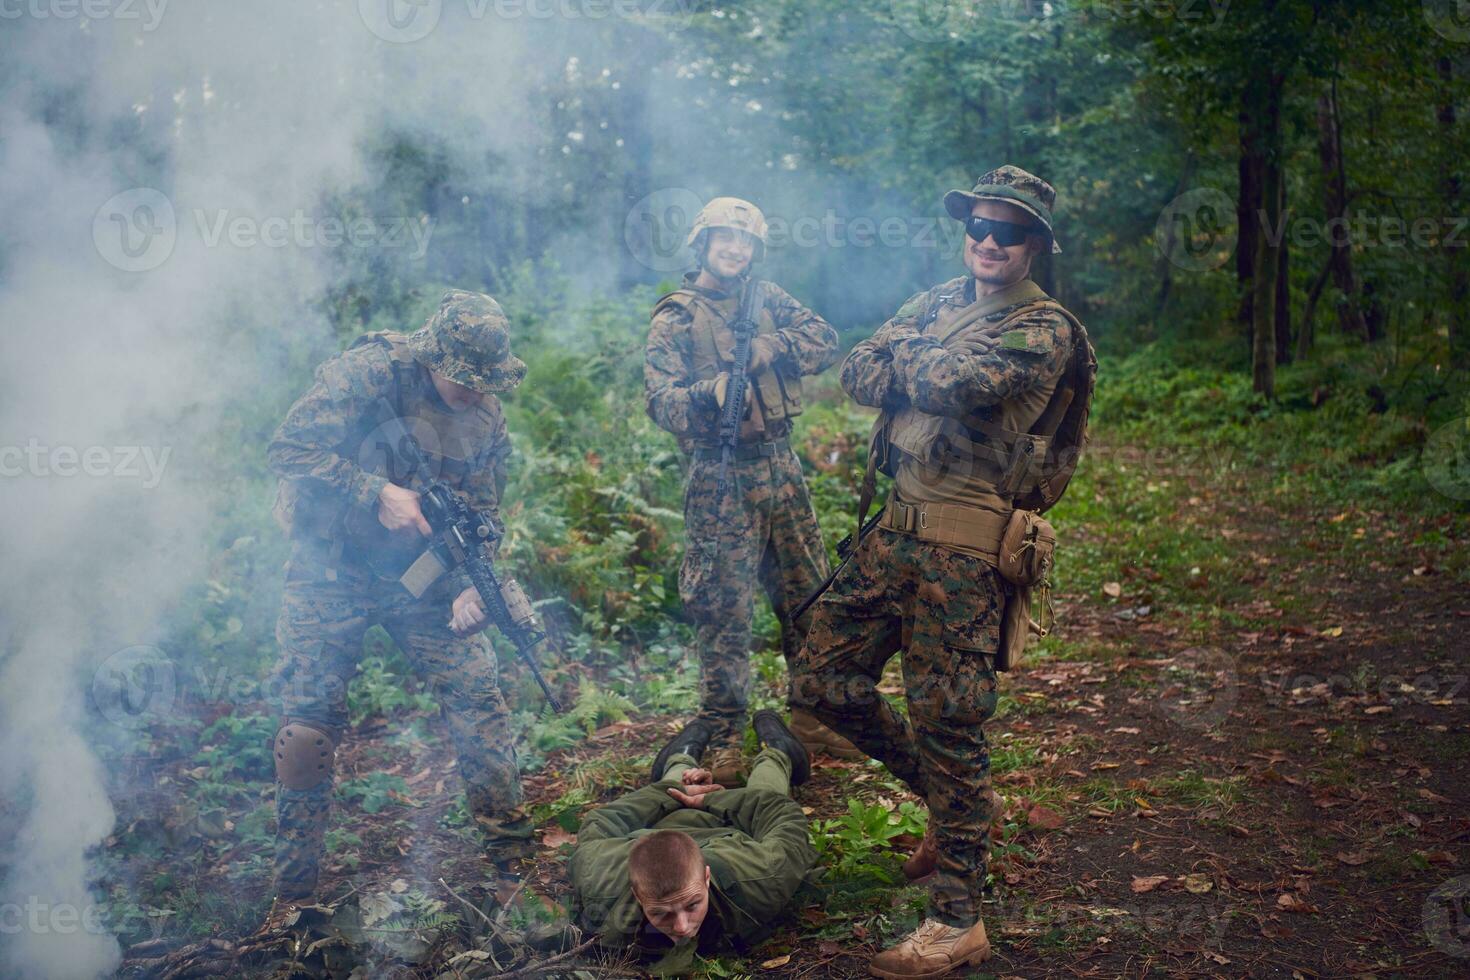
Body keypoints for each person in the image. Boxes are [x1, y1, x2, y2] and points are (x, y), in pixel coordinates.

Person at [790, 166, 1095, 978]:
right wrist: (899, 355)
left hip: (964, 550)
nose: (989, 242)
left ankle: (959, 918)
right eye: (979, 227)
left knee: (948, 719)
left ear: (1034, 245)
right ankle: (956, 804)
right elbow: (856, 374)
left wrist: (904, 351)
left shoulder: (1046, 329)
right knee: (820, 676)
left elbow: (950, 383)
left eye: (1009, 231)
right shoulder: (938, 301)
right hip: (893, 532)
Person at [262, 289, 533, 925]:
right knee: (306, 729)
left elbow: (484, 513)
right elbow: (287, 449)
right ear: (433, 356)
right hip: (328, 566)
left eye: (483, 382)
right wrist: (373, 490)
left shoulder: (486, 418)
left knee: (479, 693)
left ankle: (511, 871)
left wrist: (474, 581)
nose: (472, 391)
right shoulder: (369, 372)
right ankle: (293, 895)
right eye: (462, 379)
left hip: (419, 576)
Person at [644, 195, 860, 785]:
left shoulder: (767, 299)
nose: (735, 250)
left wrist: (772, 346)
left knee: (809, 594)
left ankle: (816, 716)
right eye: (725, 240)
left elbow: (823, 339)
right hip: (721, 477)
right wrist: (706, 394)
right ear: (703, 244)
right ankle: (721, 737)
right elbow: (660, 403)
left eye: (745, 242)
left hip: (780, 466)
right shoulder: (677, 317)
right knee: (723, 609)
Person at [567, 710, 815, 976]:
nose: (683, 927)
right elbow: (600, 821)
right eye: (662, 914)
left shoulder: (759, 874)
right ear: (639, 895)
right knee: (676, 786)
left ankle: (776, 751)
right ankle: (683, 753)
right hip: (663, 820)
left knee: (762, 795)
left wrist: (708, 800)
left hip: (731, 830)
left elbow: (781, 815)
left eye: (692, 904)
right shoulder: (602, 883)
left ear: (706, 878)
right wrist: (675, 794)